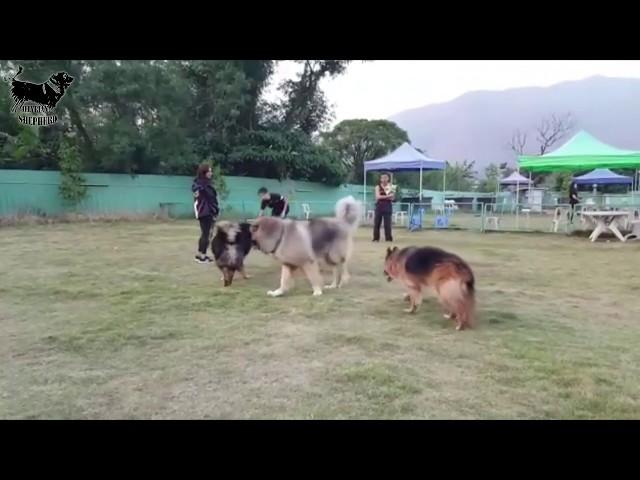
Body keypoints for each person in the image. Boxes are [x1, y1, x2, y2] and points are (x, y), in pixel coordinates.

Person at [192, 163, 219, 263]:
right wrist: (215, 211)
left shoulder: (198, 183)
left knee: (205, 234)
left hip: (202, 211)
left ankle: (200, 254)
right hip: (206, 212)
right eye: (209, 171)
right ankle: (202, 256)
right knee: (206, 234)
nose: (211, 173)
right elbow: (212, 200)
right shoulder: (205, 185)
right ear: (205, 172)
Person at [373, 173, 395, 242]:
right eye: (383, 178)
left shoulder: (390, 186)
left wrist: (384, 197)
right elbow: (377, 197)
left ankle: (388, 238)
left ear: (388, 179)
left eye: (386, 178)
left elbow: (392, 198)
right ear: (380, 179)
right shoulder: (377, 187)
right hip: (379, 206)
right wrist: (387, 196)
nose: (384, 179)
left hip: (387, 206)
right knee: (377, 223)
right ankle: (376, 238)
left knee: (387, 224)